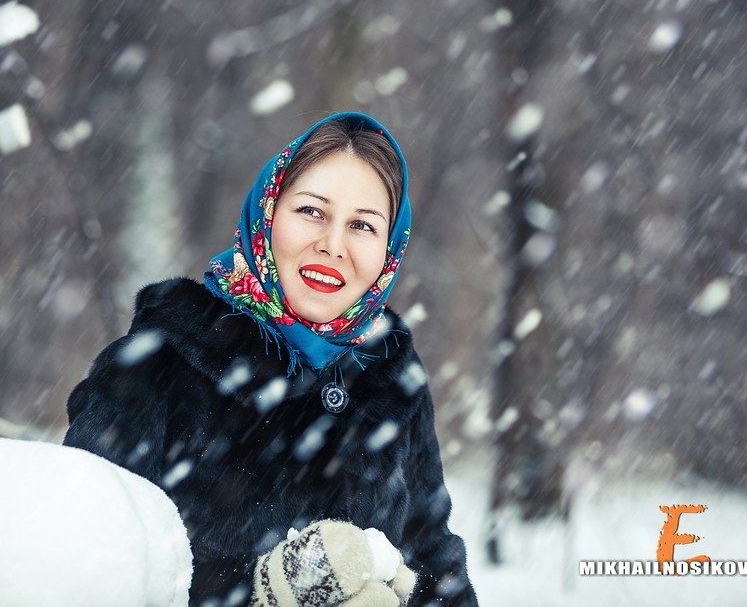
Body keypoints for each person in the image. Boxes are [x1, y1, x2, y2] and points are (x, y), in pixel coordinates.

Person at [63, 112, 478, 606]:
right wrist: (260, 590)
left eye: (363, 225)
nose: (332, 245)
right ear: (268, 211)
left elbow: (434, 561)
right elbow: (84, 565)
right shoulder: (159, 363)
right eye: (311, 211)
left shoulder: (390, 376)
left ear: (389, 249)